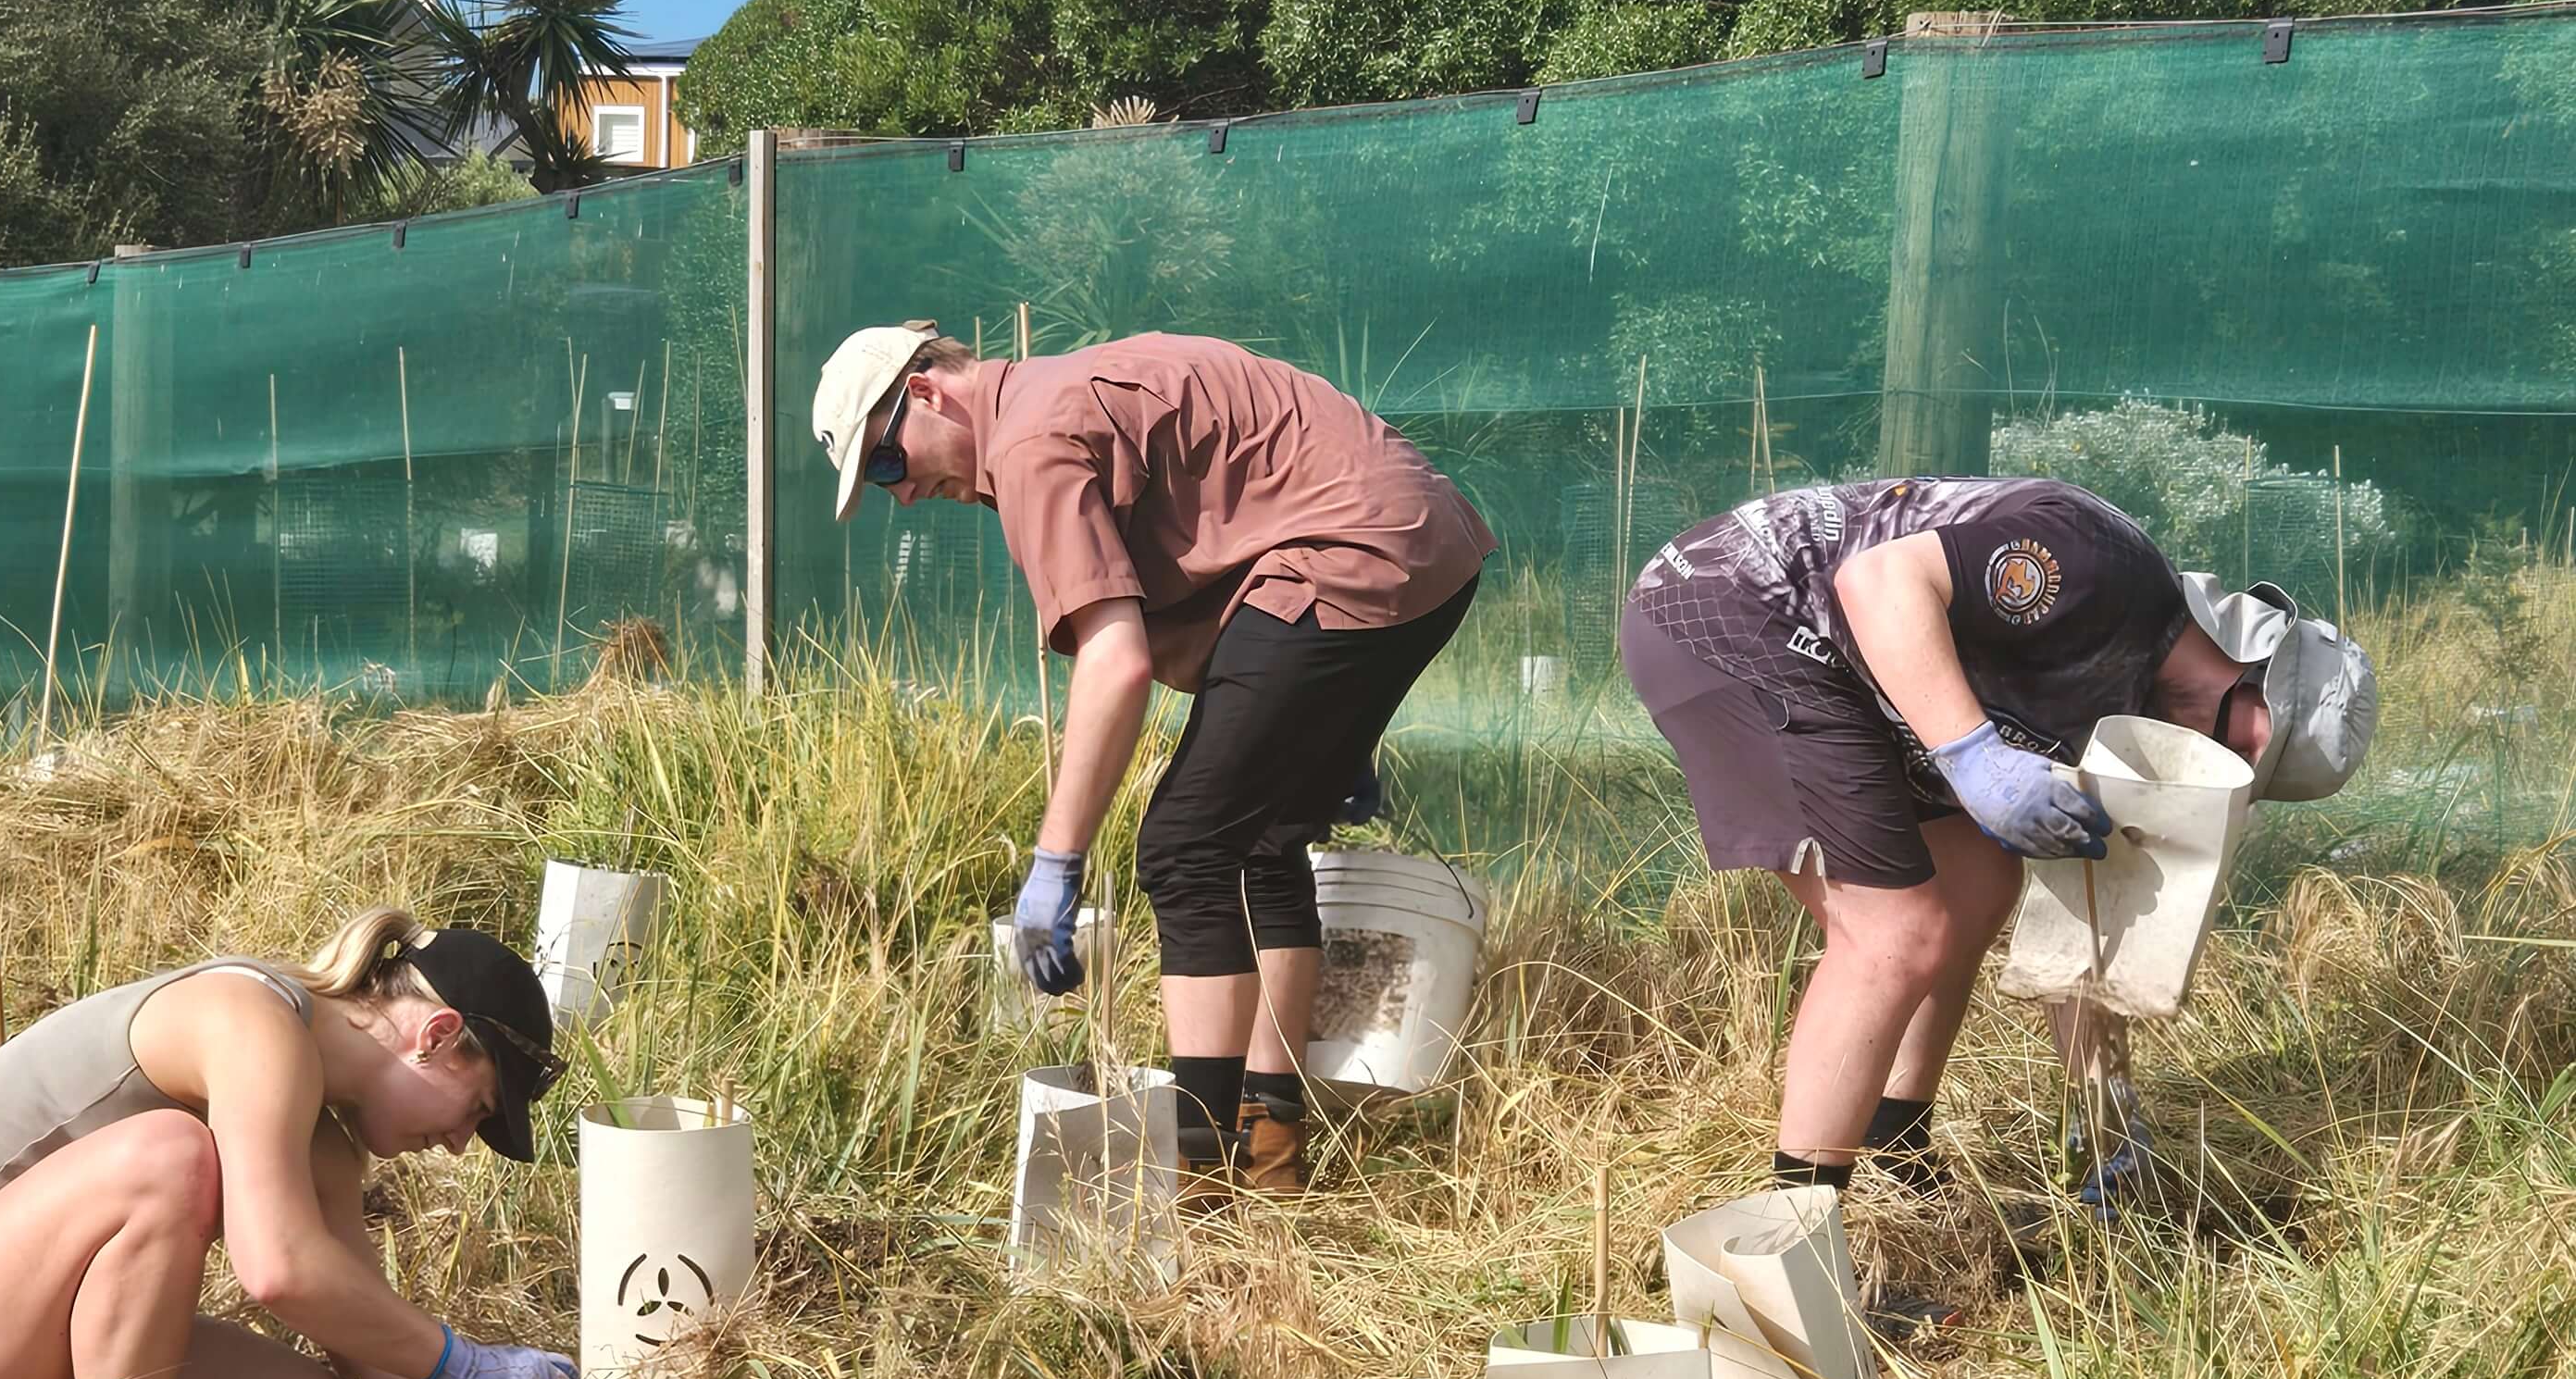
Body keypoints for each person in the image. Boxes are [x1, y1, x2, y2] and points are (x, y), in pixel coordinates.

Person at [811, 322, 1493, 1196]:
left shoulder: (1028, 442)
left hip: (1348, 557)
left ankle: (1199, 1182)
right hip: (1423, 544)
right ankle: (1270, 1152)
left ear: (928, 392)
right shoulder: (1059, 397)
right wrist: (1314, 720)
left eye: (885, 464)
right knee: (1259, 840)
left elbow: (1119, 662)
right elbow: (1182, 644)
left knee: (1184, 849)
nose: (900, 495)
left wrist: (1056, 861)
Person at [1621, 475, 2377, 1207]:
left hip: (1833, 663)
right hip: (1733, 606)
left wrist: (2102, 1110)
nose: (2233, 773)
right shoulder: (2101, 564)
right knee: (1895, 934)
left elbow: (2087, 916)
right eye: (2254, 753)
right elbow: (1878, 582)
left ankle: (1895, 1156)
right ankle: (1795, 1248)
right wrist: (1971, 756)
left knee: (1979, 887)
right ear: (2257, 673)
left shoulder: (2141, 731)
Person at [0, 912, 574, 1379]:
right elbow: (278, 1271)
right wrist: (465, 1362)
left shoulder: (325, 1143)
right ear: (435, 1036)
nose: (459, 1143)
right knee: (175, 1155)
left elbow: (376, 1364)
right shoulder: (251, 1018)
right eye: (476, 1110)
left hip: (23, 1351)